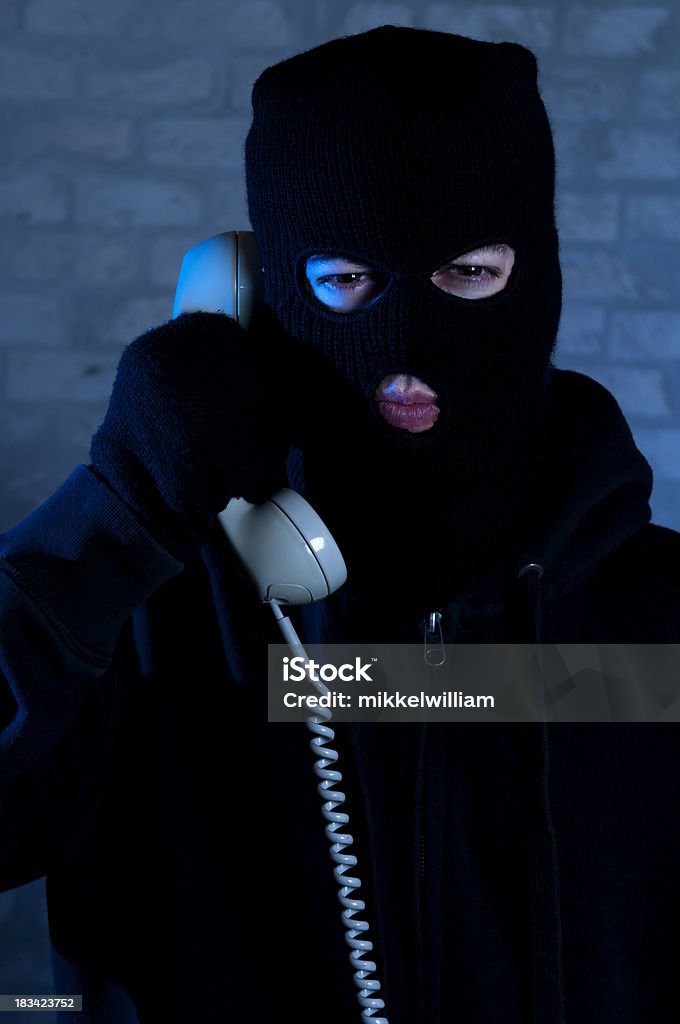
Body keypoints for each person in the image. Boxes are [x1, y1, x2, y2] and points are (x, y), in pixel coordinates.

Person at [1, 24, 679, 1024]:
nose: (405, 342)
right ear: (265, 293)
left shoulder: (653, 617)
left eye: (468, 273)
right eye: (344, 281)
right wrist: (109, 522)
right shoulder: (148, 618)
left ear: (532, 273)